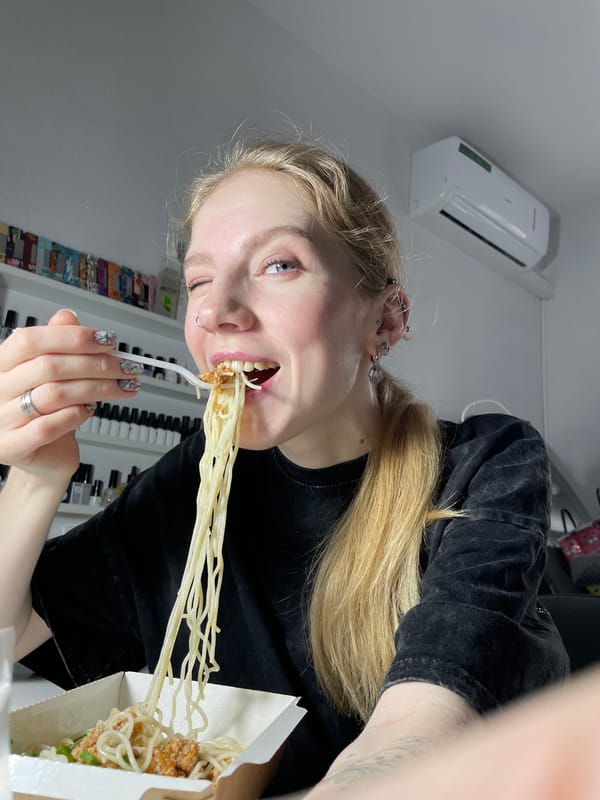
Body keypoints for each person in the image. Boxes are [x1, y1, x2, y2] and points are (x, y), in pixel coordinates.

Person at [0, 135, 568, 796]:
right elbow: (16, 635)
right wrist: (34, 480)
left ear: (384, 321)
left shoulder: (486, 463)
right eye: (198, 281)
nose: (213, 312)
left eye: (277, 265)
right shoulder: (193, 483)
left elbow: (422, 723)